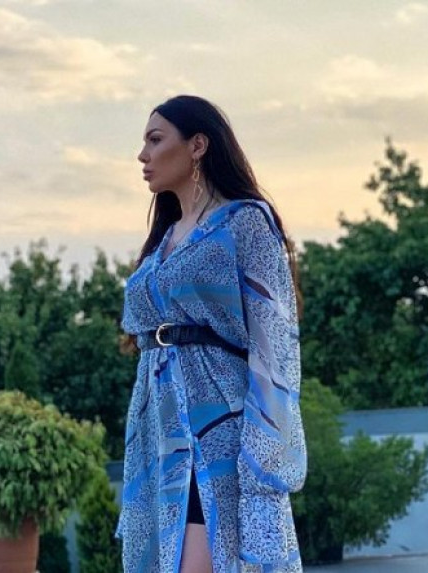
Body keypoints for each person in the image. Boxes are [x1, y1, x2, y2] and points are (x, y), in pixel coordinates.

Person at [116, 95, 307, 573]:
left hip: (217, 422)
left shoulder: (246, 222)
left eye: (155, 140)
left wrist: (266, 452)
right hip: (159, 427)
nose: (142, 155)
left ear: (197, 145)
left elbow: (274, 342)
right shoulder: (163, 240)